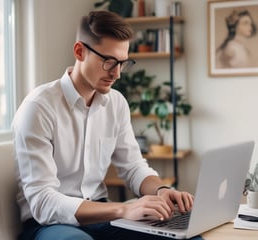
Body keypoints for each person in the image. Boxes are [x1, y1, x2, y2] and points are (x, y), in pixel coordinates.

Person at [12, 10, 194, 240]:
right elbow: (43, 201)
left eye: (122, 63)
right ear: (79, 51)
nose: (117, 74)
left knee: (185, 236)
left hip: (101, 217)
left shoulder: (116, 103)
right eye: (108, 62)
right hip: (49, 224)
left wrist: (162, 190)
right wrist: (124, 209)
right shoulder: (38, 107)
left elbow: (134, 167)